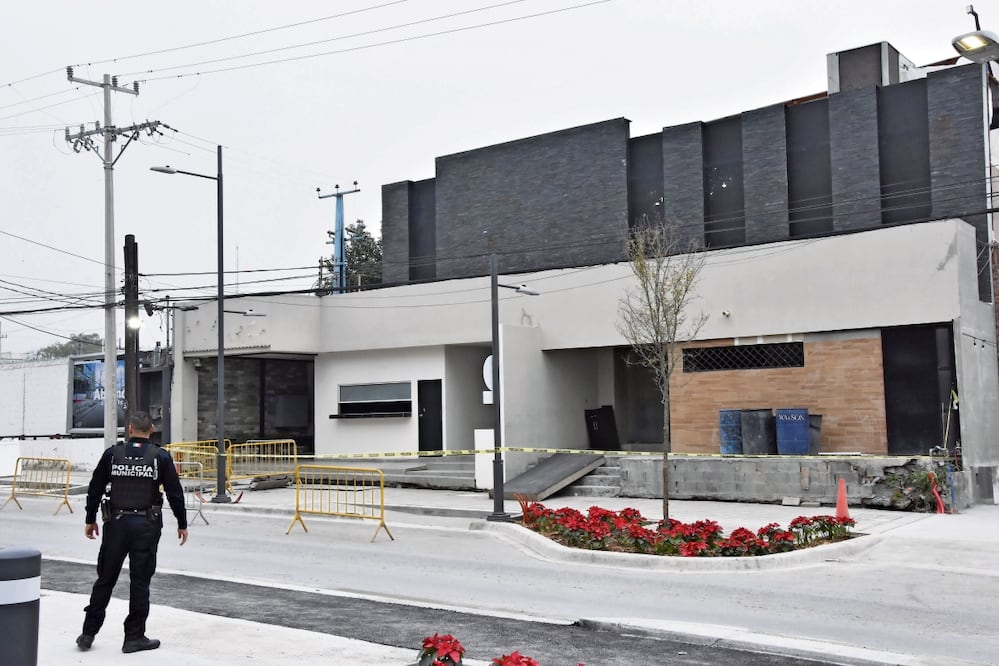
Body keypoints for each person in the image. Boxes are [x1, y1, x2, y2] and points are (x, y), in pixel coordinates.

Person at [76, 411, 189, 654]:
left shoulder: (113, 454)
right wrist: (182, 522)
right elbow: (175, 493)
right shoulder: (160, 457)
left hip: (115, 523)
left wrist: (90, 519)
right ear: (151, 430)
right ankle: (134, 637)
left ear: (129, 429)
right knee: (140, 581)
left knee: (105, 578)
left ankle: (88, 633)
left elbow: (95, 488)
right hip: (146, 526)